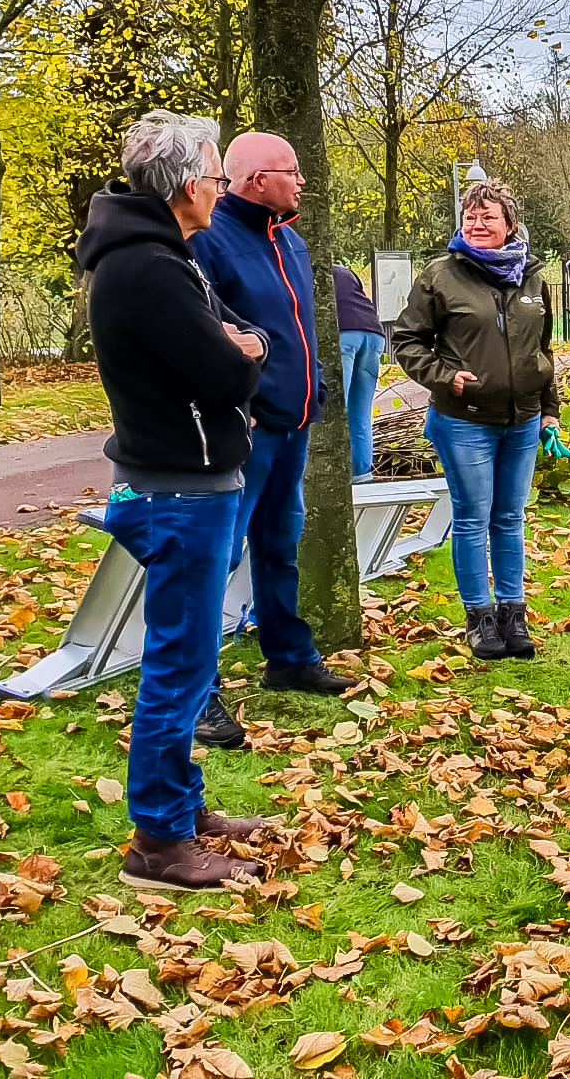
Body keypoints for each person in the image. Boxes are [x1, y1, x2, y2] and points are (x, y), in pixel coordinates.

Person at [77, 112, 271, 891]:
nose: (223, 189)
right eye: (220, 176)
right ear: (191, 186)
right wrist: (242, 357)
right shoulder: (148, 269)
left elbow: (241, 332)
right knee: (178, 663)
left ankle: (181, 808)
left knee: (190, 660)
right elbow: (228, 371)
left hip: (190, 481)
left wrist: (239, 346)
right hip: (178, 490)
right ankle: (157, 841)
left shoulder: (166, 256)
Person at [190, 132, 351, 748]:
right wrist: (242, 404)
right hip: (247, 428)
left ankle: (287, 657)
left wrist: (315, 386)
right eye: (293, 170)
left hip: (295, 421)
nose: (302, 180)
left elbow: (297, 327)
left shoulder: (290, 238)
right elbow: (207, 331)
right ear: (257, 180)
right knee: (219, 555)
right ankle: (199, 695)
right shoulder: (209, 240)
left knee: (280, 544)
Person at [391, 179, 559, 662]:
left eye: (488, 216)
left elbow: (540, 352)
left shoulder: (532, 277)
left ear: (510, 223)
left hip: (523, 421)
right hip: (464, 420)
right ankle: (479, 618)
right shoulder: (441, 276)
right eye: (469, 216)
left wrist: (549, 411)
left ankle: (513, 612)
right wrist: (446, 377)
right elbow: (407, 340)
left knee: (509, 519)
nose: (476, 223)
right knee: (472, 518)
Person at [336, 265, 385, 483]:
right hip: (373, 334)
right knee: (360, 411)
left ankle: (332, 476)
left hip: (342, 333)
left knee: (336, 408)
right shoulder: (343, 271)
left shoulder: (303, 267)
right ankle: (361, 474)